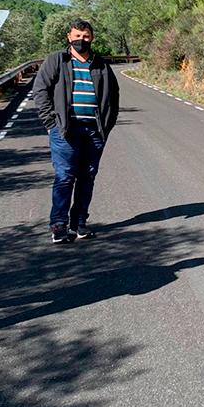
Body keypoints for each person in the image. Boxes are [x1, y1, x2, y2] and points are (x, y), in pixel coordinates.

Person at [34, 19, 119, 243]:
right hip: (66, 131)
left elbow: (114, 96)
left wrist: (106, 128)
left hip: (93, 132)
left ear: (92, 38)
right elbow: (40, 90)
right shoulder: (58, 60)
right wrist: (51, 123)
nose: (82, 40)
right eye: (77, 36)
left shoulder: (100, 64)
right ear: (69, 37)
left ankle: (79, 223)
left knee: (87, 177)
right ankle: (59, 224)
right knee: (64, 177)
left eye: (86, 36)